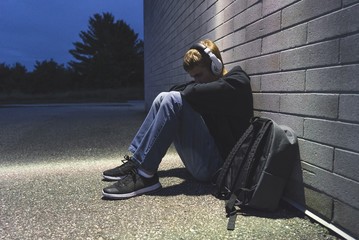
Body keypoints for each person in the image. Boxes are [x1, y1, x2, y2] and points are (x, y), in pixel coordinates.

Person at [102, 39, 253, 199]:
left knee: (173, 100)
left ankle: (145, 176)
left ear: (215, 66)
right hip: (204, 160)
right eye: (193, 77)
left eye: (199, 75)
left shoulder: (237, 82)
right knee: (163, 97)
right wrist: (193, 87)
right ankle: (138, 162)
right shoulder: (205, 87)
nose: (197, 81)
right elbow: (178, 89)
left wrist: (190, 90)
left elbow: (188, 92)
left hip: (218, 167)